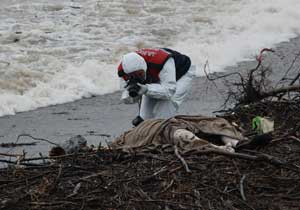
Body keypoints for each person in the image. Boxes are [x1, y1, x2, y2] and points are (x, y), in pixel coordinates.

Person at [117, 48, 196, 126]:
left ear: (144, 65)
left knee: (165, 111)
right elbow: (128, 100)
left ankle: (164, 132)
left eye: (140, 74)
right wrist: (132, 91)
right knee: (145, 118)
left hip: (182, 72)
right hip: (156, 75)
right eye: (133, 76)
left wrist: (146, 89)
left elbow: (169, 91)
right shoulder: (123, 72)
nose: (138, 78)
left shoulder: (160, 61)